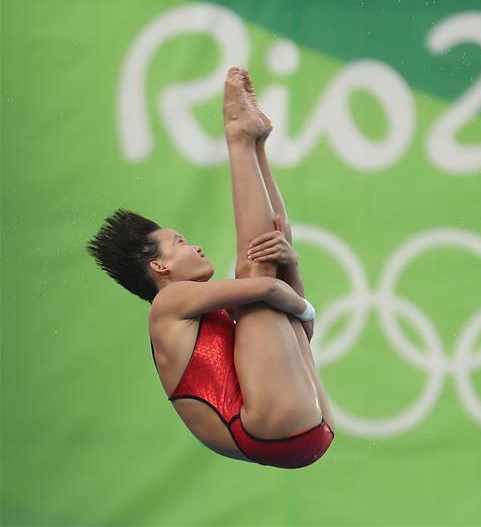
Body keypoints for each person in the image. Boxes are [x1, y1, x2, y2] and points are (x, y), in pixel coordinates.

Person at [86, 68, 334, 469]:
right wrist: (300, 303)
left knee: (274, 252)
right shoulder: (169, 302)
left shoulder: (204, 311)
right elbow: (278, 298)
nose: (195, 245)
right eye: (180, 243)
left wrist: (294, 269)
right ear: (159, 265)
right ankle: (238, 136)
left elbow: (299, 330)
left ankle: (254, 144)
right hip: (271, 428)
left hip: (299, 429)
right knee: (256, 270)